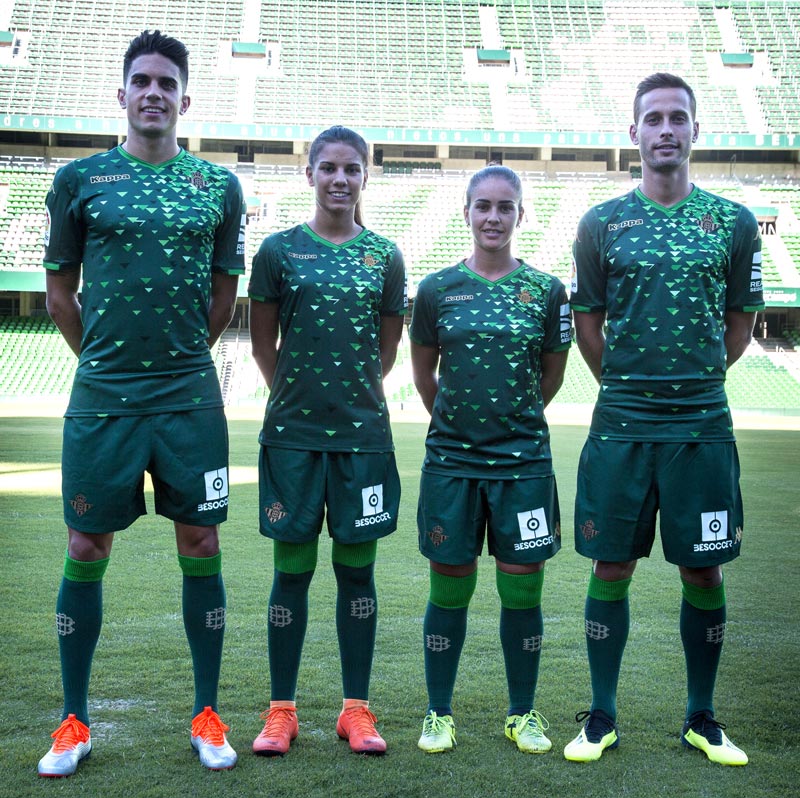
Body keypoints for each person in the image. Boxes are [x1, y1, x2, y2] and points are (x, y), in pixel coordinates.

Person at [38, 30, 245, 777]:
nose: (154, 93)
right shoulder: (79, 179)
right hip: (104, 397)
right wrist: (104, 363)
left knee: (202, 543)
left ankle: (207, 713)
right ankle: (73, 721)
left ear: (185, 100)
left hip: (190, 396)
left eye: (167, 84)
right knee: (85, 546)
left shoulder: (218, 186)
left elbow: (224, 295)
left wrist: (182, 359)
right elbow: (59, 294)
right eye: (143, 81)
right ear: (122, 94)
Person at [564, 73, 763, 766]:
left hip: (701, 426)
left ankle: (701, 717)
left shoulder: (733, 222)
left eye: (678, 117)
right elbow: (588, 323)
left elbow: (740, 324)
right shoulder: (601, 223)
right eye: (653, 118)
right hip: (621, 423)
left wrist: (694, 384)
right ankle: (602, 716)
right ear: (634, 133)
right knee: (610, 563)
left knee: (703, 573)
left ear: (696, 131)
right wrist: (628, 386)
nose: (666, 129)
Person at [248, 125, 407, 756]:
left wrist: (349, 401)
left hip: (363, 441)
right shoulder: (278, 251)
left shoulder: (385, 256)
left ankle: (356, 710)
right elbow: (264, 345)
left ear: (366, 175)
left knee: (356, 575)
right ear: (309, 173)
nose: (341, 179)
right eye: (329, 168)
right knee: (291, 574)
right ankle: (280, 711)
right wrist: (298, 398)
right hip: (292, 439)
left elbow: (386, 351)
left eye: (352, 169)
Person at [409, 165, 572, 754]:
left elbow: (550, 376)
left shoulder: (547, 291)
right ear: (467, 212)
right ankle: (438, 713)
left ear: (521, 215)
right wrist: (459, 427)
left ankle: (522, 713)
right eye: (483, 206)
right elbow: (424, 375)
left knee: (522, 588)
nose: (494, 217)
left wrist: (510, 424)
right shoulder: (437, 289)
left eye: (506, 207)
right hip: (452, 464)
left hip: (523, 465)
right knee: (449, 585)